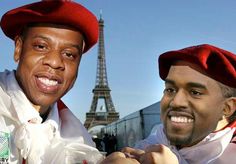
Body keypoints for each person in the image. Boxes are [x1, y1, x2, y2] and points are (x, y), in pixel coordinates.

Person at [0, 0, 104, 163]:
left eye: (69, 54)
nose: (55, 62)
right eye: (41, 46)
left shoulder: (79, 142)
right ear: (18, 48)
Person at [101, 44, 236, 164]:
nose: (175, 102)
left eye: (195, 92)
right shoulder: (150, 143)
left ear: (227, 107)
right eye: (170, 90)